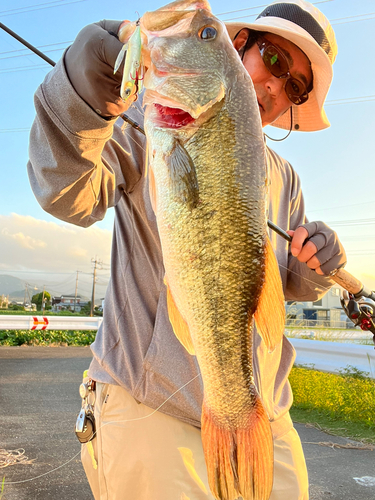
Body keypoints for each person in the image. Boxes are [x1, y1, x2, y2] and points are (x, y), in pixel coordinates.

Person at [27, 0, 346, 498]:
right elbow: (66, 192)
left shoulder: (284, 176)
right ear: (239, 46)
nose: (275, 87)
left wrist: (322, 265)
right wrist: (79, 92)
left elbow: (276, 286)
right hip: (148, 405)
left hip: (262, 410)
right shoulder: (146, 124)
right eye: (276, 60)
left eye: (296, 86)